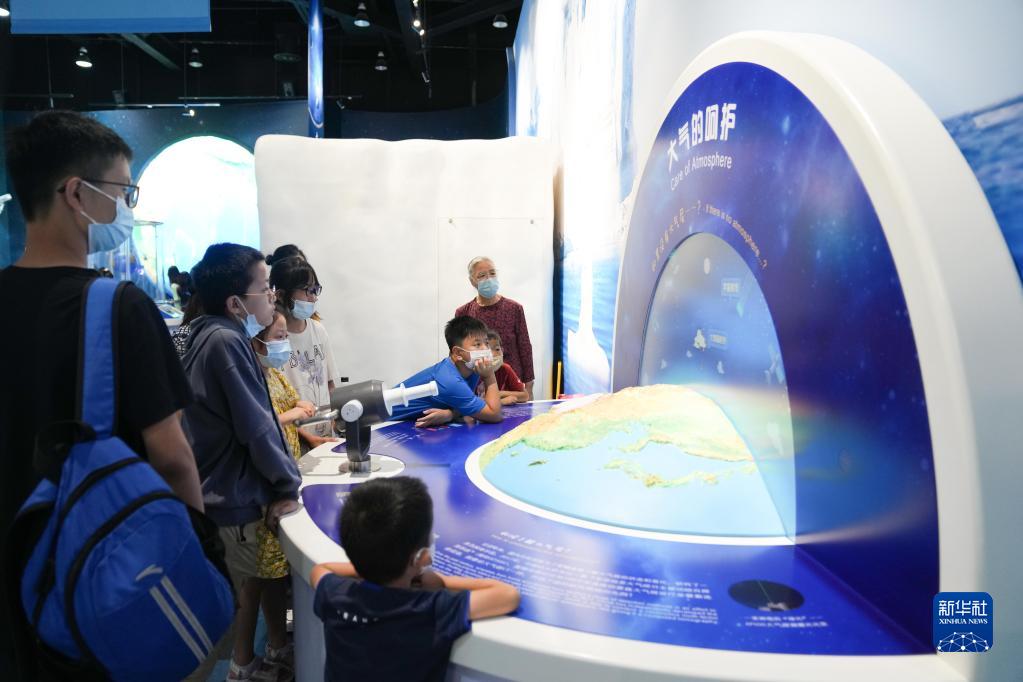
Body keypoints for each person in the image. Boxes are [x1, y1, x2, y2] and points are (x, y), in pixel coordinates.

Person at [0, 110, 203, 679]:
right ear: (76, 194)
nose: (127, 207)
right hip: (100, 577)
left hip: (13, 570)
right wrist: (197, 556)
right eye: (123, 191)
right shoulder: (118, 307)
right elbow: (171, 455)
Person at [182, 242, 303, 681]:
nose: (273, 296)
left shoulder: (203, 332)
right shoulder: (227, 341)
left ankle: (250, 661)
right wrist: (287, 485)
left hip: (213, 496)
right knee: (239, 603)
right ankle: (242, 668)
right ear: (236, 303)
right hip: (230, 503)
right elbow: (257, 426)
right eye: (265, 288)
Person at [311, 476, 520, 682]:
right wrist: (441, 582)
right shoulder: (430, 610)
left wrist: (368, 566)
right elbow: (507, 595)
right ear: (419, 557)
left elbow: (320, 569)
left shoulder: (333, 593)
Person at [247, 311, 316, 679]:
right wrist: (293, 414)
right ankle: (269, 648)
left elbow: (292, 409)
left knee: (276, 572)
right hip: (266, 489)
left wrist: (309, 431)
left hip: (285, 477)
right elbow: (260, 424)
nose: (284, 344)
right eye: (277, 337)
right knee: (266, 575)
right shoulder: (250, 379)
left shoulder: (274, 374)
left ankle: (277, 643)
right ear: (257, 340)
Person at [270, 255, 341, 450]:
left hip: (326, 434)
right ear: (281, 295)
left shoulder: (318, 330)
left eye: (316, 289)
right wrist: (308, 439)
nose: (314, 297)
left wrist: (336, 422)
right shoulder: (274, 341)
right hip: (295, 439)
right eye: (307, 290)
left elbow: (330, 384)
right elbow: (277, 403)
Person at [389, 316, 503, 428]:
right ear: (458, 353)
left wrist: (451, 414)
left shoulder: (471, 369)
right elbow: (494, 415)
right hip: (386, 422)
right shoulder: (449, 379)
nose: (485, 349)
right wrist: (489, 375)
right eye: (477, 344)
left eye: (486, 343)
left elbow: (466, 404)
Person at [455, 256, 536, 399]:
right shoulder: (464, 313)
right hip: (477, 385)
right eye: (482, 275)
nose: (489, 279)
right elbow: (458, 355)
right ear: (472, 281)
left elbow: (524, 347)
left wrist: (529, 386)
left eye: (492, 273)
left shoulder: (514, 308)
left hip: (511, 385)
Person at [482, 330, 529, 404]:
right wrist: (500, 402)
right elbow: (470, 402)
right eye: (488, 350)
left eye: (497, 349)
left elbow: (525, 396)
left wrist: (501, 394)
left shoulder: (505, 369)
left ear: (502, 351)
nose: (493, 354)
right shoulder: (476, 371)